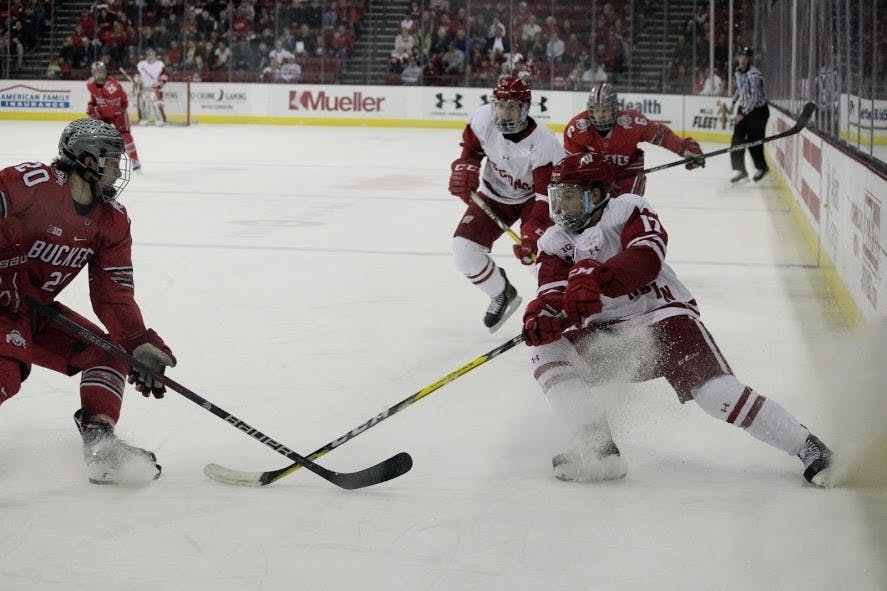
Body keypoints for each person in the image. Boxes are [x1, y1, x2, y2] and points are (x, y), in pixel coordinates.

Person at [520, 152, 834, 487]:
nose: (560, 208)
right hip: (611, 336)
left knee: (716, 394)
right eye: (557, 197)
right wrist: (543, 316)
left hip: (665, 319)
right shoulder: (554, 241)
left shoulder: (627, 209)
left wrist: (595, 277)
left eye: (569, 196)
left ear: (595, 194)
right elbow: (553, 293)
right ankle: (597, 445)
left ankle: (808, 446)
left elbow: (646, 260)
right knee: (545, 350)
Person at [0, 119, 177, 485]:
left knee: (108, 353)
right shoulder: (33, 184)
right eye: (112, 161)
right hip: (6, 305)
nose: (119, 170)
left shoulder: (111, 220)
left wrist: (137, 342)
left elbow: (113, 293)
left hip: (28, 310)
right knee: (6, 369)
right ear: (87, 160)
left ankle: (100, 444)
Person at [447, 75, 564, 332]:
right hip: (493, 194)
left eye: (512, 107)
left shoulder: (545, 144)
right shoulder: (482, 119)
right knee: (463, 252)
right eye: (500, 105)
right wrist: (466, 168)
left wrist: (533, 232)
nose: (504, 113)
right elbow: (472, 150)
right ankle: (501, 292)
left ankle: (560, 308)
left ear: (525, 108)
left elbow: (546, 196)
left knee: (539, 260)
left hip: (531, 200)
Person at [564, 82, 705, 196]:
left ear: (615, 109)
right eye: (596, 110)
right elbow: (573, 164)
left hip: (628, 175)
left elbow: (661, 135)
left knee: (626, 211)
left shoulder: (632, 123)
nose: (600, 115)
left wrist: (684, 149)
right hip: (596, 178)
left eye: (605, 110)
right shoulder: (577, 129)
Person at [86, 61, 142, 171]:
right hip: (104, 113)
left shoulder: (112, 86)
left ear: (105, 72)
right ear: (93, 73)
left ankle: (134, 160)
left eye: (101, 72)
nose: (100, 74)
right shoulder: (90, 84)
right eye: (97, 72)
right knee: (99, 137)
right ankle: (100, 162)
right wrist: (91, 105)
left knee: (125, 135)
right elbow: (95, 97)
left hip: (118, 113)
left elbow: (113, 109)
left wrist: (96, 110)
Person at [730, 47, 770, 182]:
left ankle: (762, 167)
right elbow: (740, 88)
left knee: (754, 141)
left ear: (749, 59)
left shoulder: (754, 75)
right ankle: (741, 170)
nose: (743, 59)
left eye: (746, 57)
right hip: (744, 108)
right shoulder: (737, 71)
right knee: (737, 140)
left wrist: (742, 115)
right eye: (741, 56)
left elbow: (754, 98)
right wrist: (733, 102)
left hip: (758, 112)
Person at [135, 48, 169, 126]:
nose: (150, 56)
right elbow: (137, 75)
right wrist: (137, 79)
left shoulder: (160, 64)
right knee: (143, 104)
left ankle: (161, 119)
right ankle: (144, 119)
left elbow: (165, 75)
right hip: (144, 88)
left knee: (156, 104)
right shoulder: (141, 64)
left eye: (152, 55)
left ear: (155, 55)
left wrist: (160, 82)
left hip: (155, 89)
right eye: (148, 55)